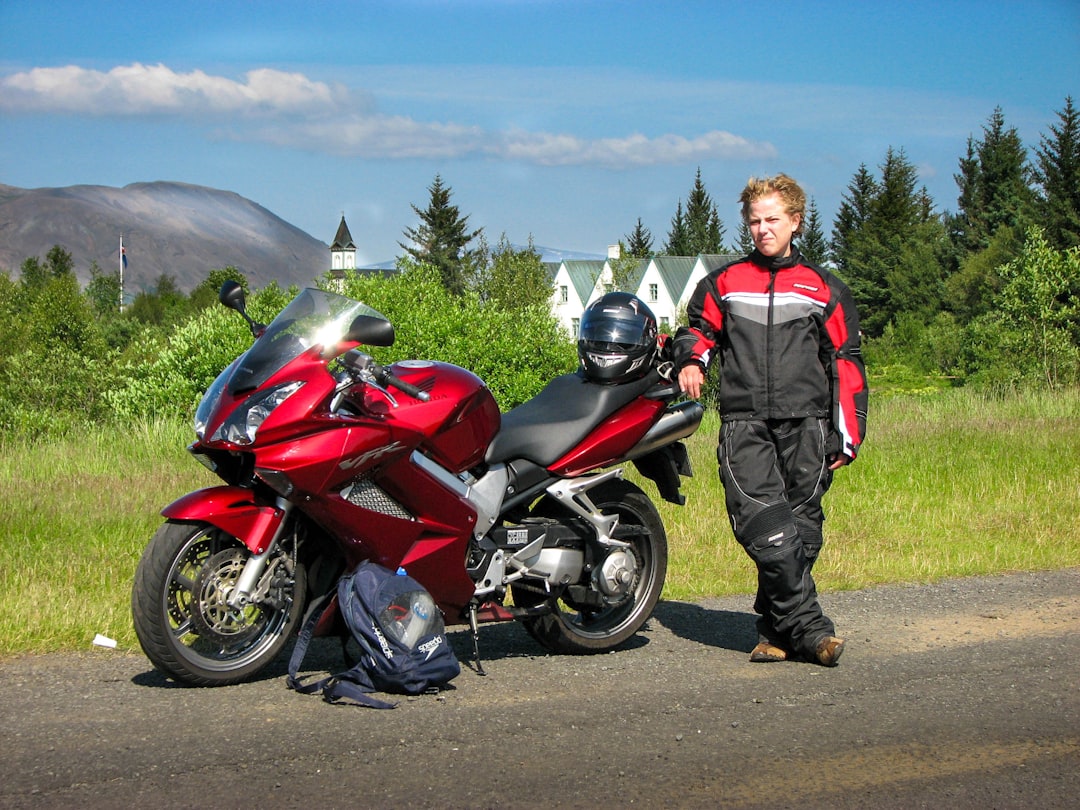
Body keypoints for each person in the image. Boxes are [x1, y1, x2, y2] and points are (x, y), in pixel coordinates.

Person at [672, 174, 868, 666]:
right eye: (754, 221)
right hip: (745, 425)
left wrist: (849, 435)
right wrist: (692, 360)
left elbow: (847, 360)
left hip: (809, 425)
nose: (762, 229)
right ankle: (812, 631)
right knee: (766, 528)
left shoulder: (824, 288)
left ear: (795, 222)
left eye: (772, 220)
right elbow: (696, 331)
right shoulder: (724, 284)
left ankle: (774, 632)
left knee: (802, 532)